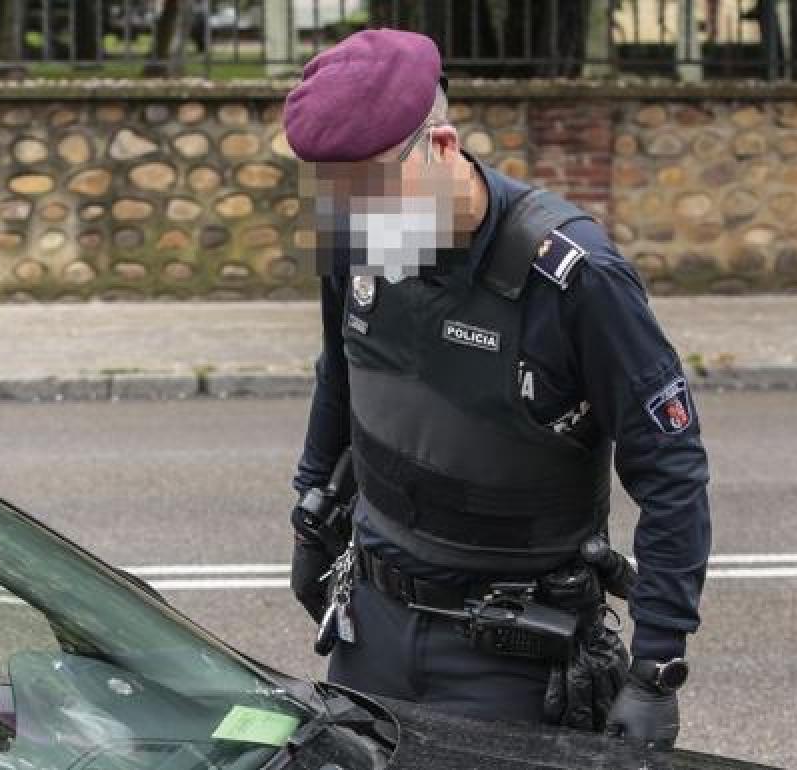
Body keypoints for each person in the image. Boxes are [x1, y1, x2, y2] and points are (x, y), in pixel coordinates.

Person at [283, 28, 711, 750]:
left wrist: (656, 666)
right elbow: (342, 375)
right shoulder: (357, 242)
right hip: (373, 624)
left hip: (511, 655)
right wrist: (309, 511)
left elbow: (672, 469)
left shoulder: (575, 280)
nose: (359, 220)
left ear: (442, 147)